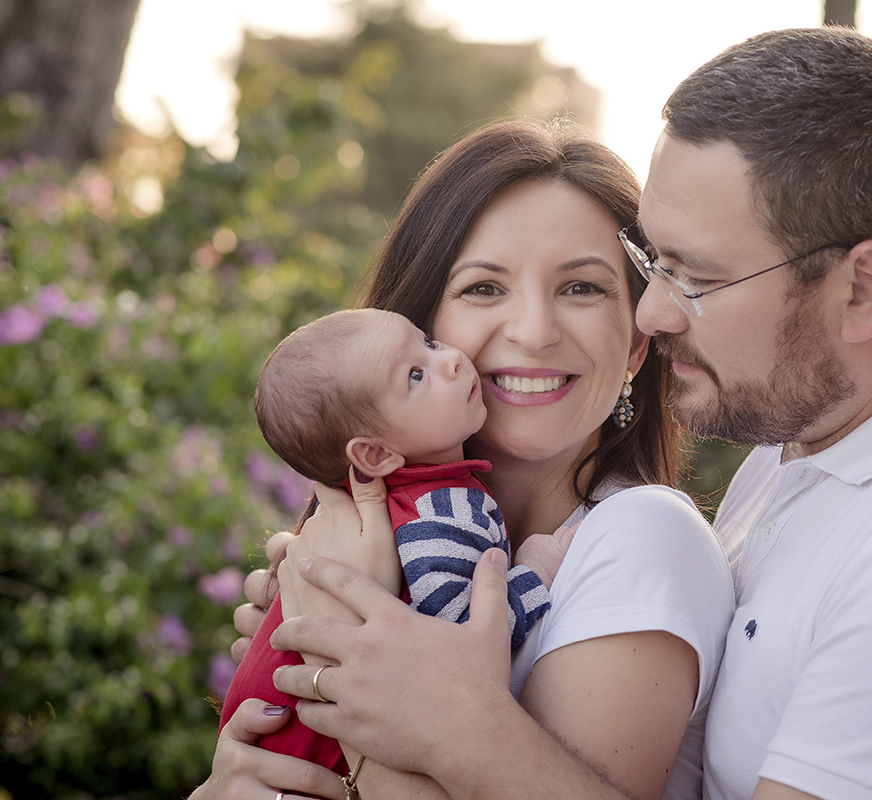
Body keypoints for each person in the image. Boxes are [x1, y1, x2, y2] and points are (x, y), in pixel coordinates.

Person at [247, 26, 872, 800]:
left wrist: (454, 727)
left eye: (698, 276)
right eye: (655, 267)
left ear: (865, 288)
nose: (649, 314)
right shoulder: (811, 447)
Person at [191, 119, 735, 800]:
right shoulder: (370, 541)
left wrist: (349, 690)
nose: (534, 331)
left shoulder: (640, 537)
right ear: (419, 326)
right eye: (483, 288)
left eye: (582, 289)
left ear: (634, 343)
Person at [219, 308, 567, 781]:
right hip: (304, 758)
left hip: (279, 746)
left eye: (428, 342)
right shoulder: (442, 511)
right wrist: (535, 574)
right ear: (374, 454)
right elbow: (462, 642)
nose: (453, 361)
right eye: (416, 375)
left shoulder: (378, 514)